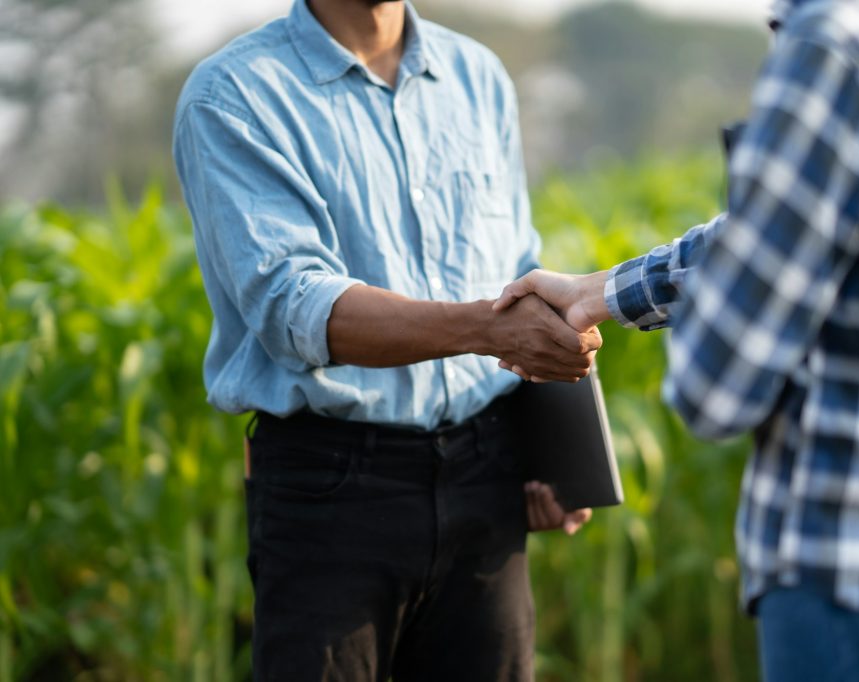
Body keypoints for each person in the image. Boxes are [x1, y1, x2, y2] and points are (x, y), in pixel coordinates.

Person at [495, 0, 859, 679]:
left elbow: (716, 387)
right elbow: (830, 222)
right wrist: (604, 291)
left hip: (855, 585)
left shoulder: (832, 46)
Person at [172, 0, 597, 679]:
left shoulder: (476, 75)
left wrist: (555, 448)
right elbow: (296, 308)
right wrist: (486, 331)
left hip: (487, 470)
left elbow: (522, 268)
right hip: (334, 485)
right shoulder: (237, 93)